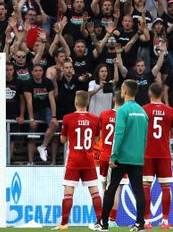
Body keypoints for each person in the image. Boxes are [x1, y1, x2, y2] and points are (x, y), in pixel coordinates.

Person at [94, 80, 149, 232]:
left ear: (124, 90)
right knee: (138, 190)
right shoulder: (142, 112)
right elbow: (144, 137)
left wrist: (113, 155)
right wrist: (140, 154)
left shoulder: (122, 111)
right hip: (137, 158)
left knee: (111, 189)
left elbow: (118, 134)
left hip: (121, 158)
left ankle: (104, 224)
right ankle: (140, 224)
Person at [56, 91, 103, 230]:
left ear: (76, 103)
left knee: (68, 192)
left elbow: (63, 140)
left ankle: (64, 223)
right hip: (88, 160)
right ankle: (100, 221)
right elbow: (96, 139)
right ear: (87, 103)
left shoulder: (68, 118)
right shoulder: (95, 119)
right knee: (94, 191)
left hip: (73, 160)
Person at [142, 82, 173, 228]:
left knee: (145, 187)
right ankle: (165, 221)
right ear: (162, 93)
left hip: (147, 153)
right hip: (163, 153)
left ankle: (147, 221)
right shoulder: (169, 111)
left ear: (149, 93)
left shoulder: (144, 110)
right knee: (166, 187)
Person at [97, 98, 120, 228]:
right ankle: (112, 220)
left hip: (105, 155)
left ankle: (102, 219)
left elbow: (101, 135)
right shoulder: (125, 115)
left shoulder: (104, 114)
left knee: (105, 190)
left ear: (114, 99)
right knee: (116, 190)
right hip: (119, 157)